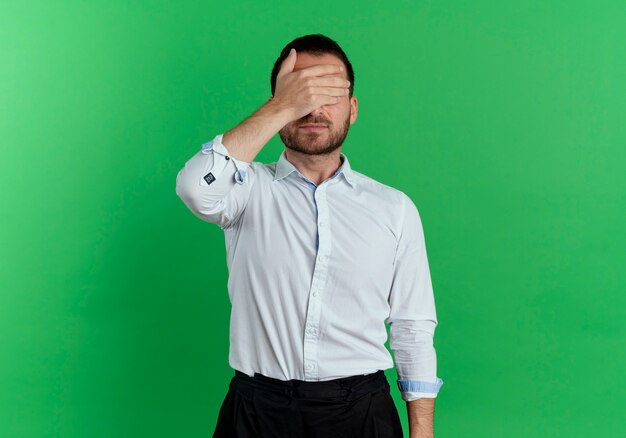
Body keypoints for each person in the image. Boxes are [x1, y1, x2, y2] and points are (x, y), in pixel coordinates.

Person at [175, 34, 443, 438]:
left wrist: (422, 434)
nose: (314, 108)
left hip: (362, 413)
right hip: (257, 412)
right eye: (301, 93)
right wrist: (281, 106)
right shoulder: (245, 190)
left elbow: (412, 327)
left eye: (330, 92)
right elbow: (195, 188)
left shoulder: (394, 208)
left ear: (352, 109)